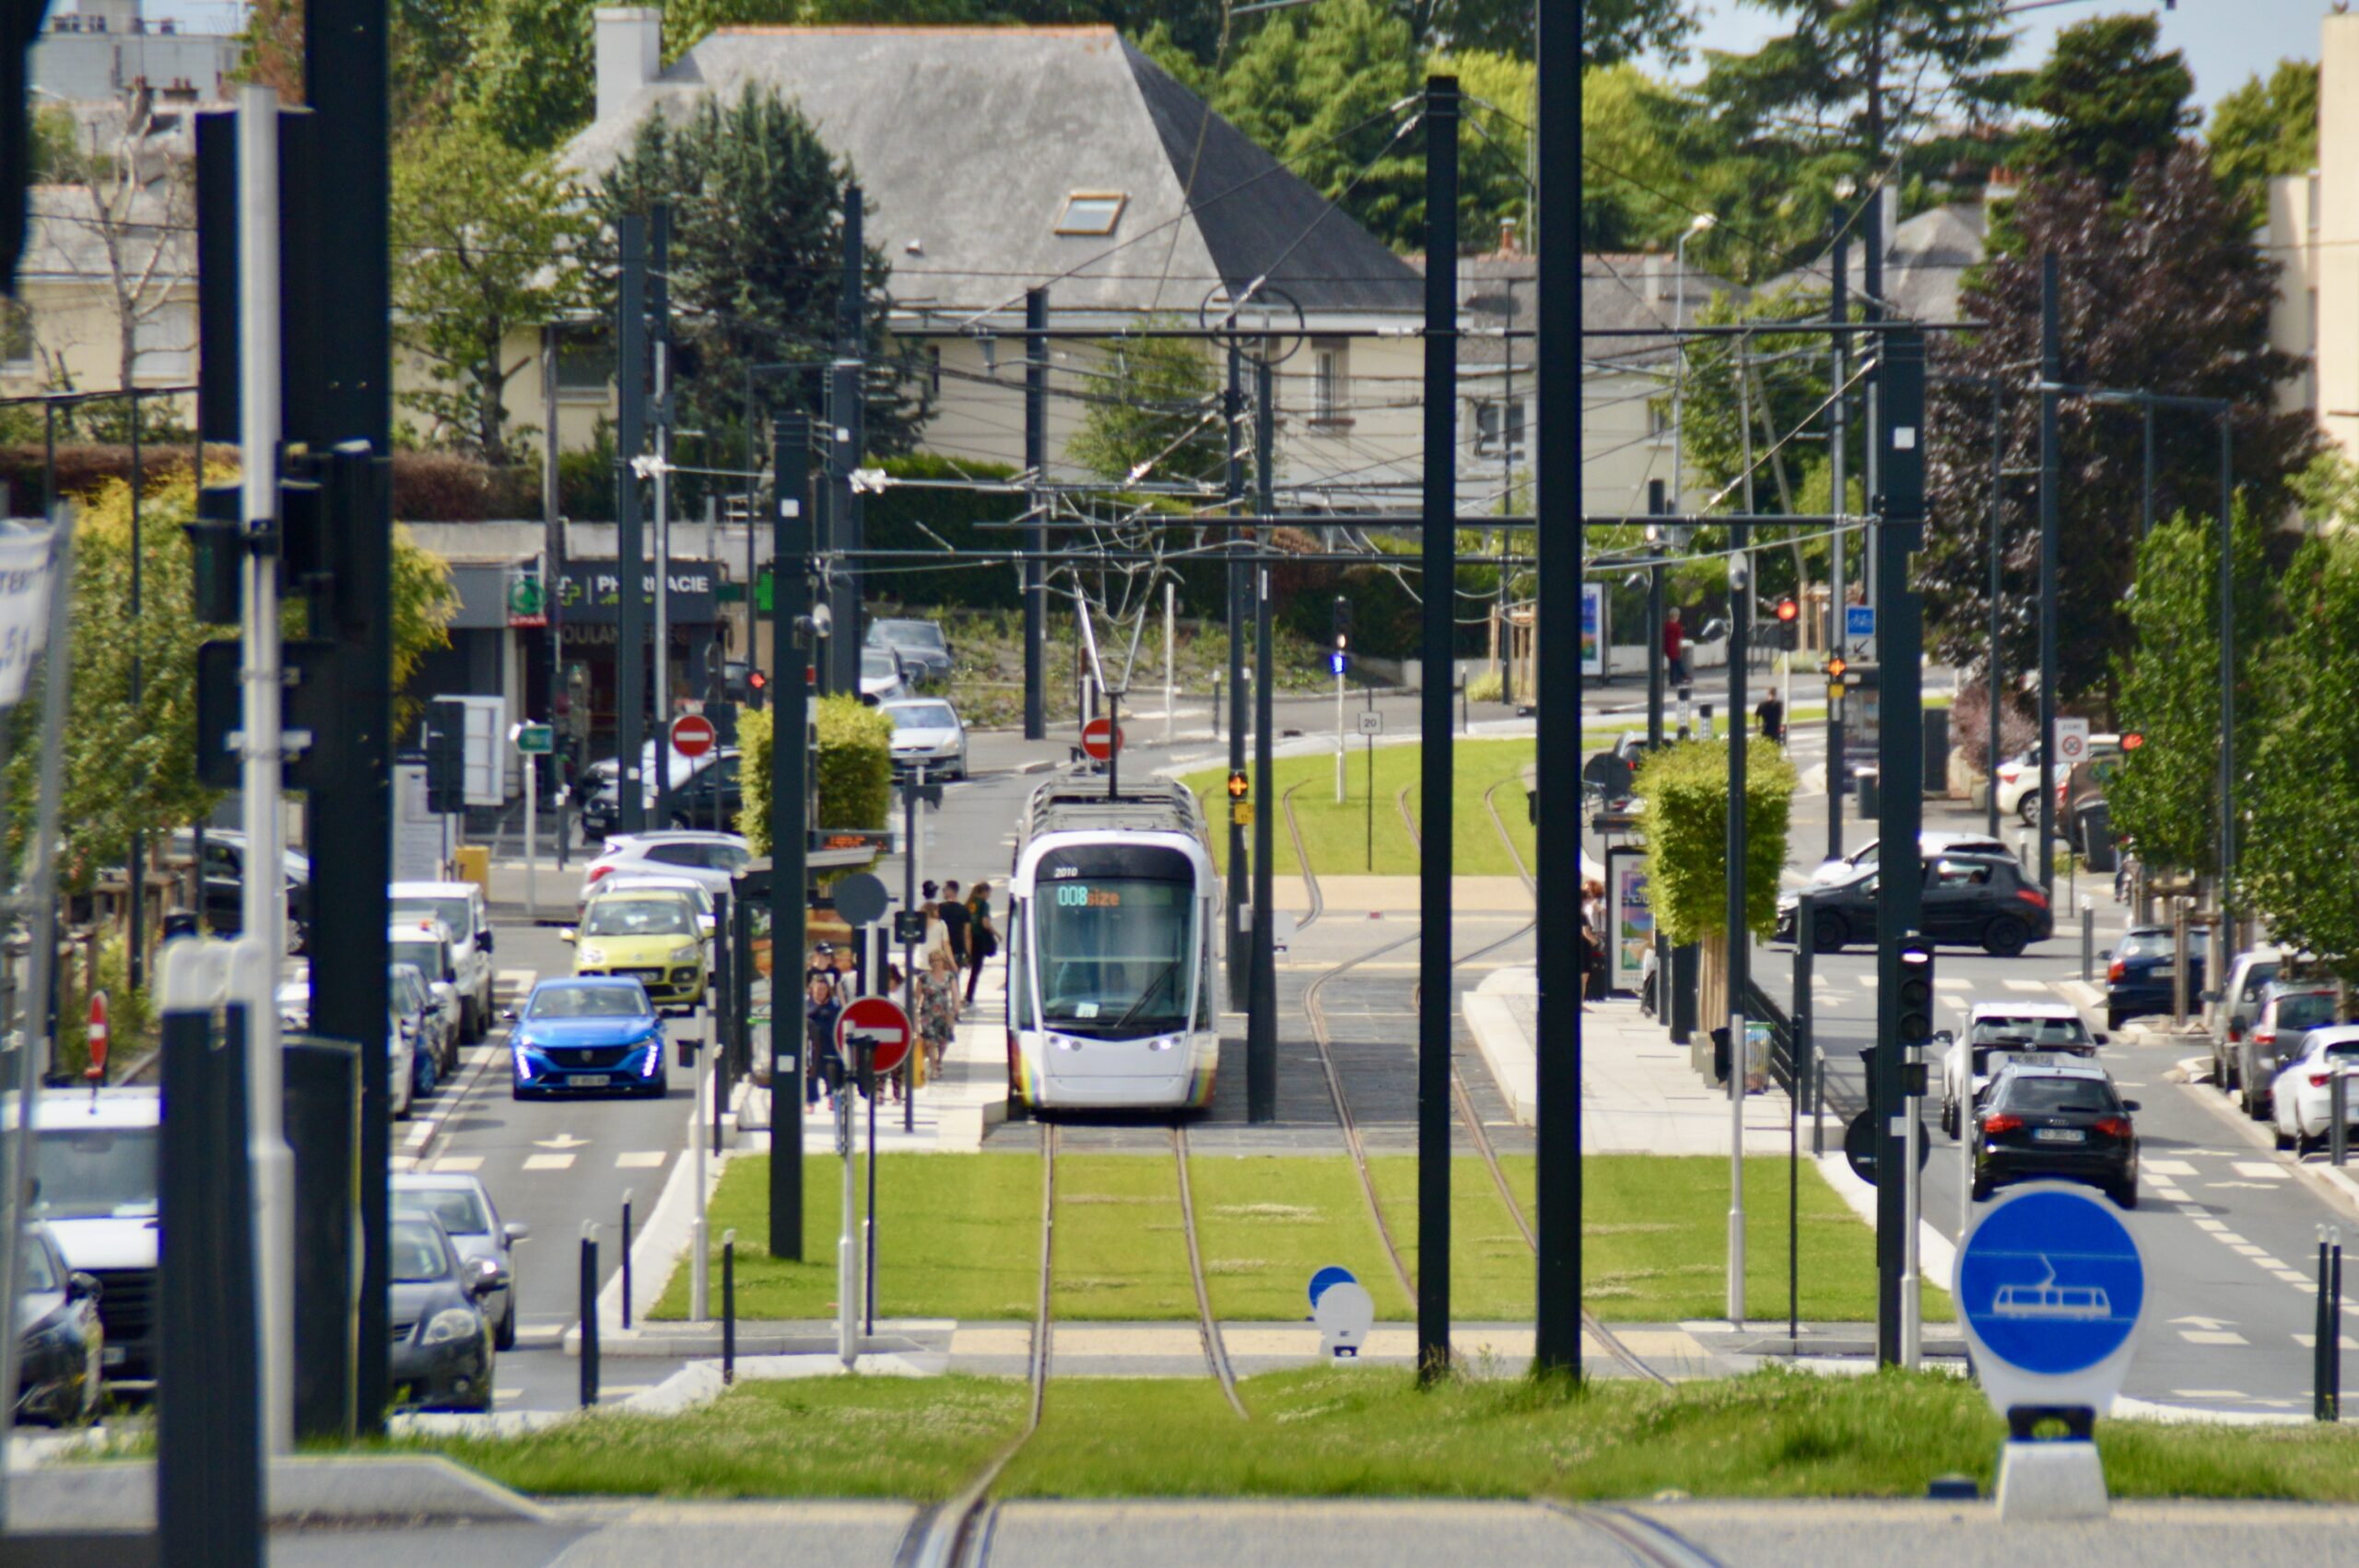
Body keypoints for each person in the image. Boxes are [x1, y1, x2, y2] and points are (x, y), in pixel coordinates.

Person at [919, 947, 959, 1080]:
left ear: (943, 961)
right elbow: (916, 996)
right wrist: (914, 1012)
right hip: (927, 1013)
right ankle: (934, 1067)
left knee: (943, 1041)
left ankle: (939, 1059)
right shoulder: (924, 977)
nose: (935, 963)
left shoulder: (949, 976)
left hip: (944, 1013)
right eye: (933, 960)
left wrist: (955, 1010)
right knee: (930, 1041)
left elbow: (954, 993)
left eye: (938, 960)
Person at [804, 975, 842, 1112]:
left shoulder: (834, 1005)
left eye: (823, 989)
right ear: (812, 989)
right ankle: (810, 1101)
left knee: (831, 1073)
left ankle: (832, 1096)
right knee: (810, 1073)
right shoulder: (806, 1005)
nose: (820, 992)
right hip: (811, 1046)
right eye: (818, 989)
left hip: (829, 1045)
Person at [964, 881, 996, 1005]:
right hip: (979, 939)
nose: (989, 896)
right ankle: (969, 996)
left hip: (968, 939)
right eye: (989, 893)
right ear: (984, 892)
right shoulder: (984, 905)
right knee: (976, 970)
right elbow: (985, 923)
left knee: (964, 967)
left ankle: (962, 995)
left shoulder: (969, 903)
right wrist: (997, 934)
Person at [938, 879, 971, 975]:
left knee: (941, 979)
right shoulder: (964, 910)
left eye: (944, 890)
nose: (943, 892)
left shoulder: (939, 908)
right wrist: (968, 954)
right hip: (958, 950)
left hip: (941, 950)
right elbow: (967, 934)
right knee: (954, 980)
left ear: (950, 891)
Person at [1663, 606, 1689, 688]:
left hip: (1667, 647)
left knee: (1673, 664)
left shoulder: (1666, 625)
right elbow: (1679, 640)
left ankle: (1673, 681)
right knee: (1677, 663)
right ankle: (1684, 675)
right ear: (1677, 616)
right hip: (1674, 648)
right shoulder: (1677, 626)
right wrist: (1680, 649)